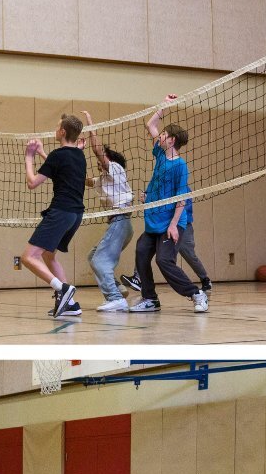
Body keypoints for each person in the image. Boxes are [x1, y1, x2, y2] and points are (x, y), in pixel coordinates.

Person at [130, 99, 206, 314]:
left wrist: (174, 225)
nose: (159, 136)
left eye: (163, 135)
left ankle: (196, 294)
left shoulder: (180, 166)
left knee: (164, 260)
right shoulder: (161, 155)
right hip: (154, 220)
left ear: (171, 140)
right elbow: (150, 125)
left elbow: (182, 197)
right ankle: (150, 299)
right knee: (142, 252)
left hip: (171, 222)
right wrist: (164, 104)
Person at [21, 112, 87, 319]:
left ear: (62, 131)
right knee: (48, 255)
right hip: (75, 216)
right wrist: (43, 153)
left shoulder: (58, 156)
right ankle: (71, 305)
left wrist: (29, 157)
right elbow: (61, 167)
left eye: (57, 126)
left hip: (61, 211)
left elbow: (32, 183)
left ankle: (63, 289)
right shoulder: (79, 154)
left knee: (28, 257)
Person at [85, 126, 135, 311]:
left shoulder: (115, 168)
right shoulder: (104, 179)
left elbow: (98, 151)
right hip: (121, 224)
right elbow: (85, 180)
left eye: (103, 157)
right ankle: (119, 289)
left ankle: (114, 298)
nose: (99, 160)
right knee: (93, 256)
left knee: (99, 260)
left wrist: (90, 126)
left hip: (121, 221)